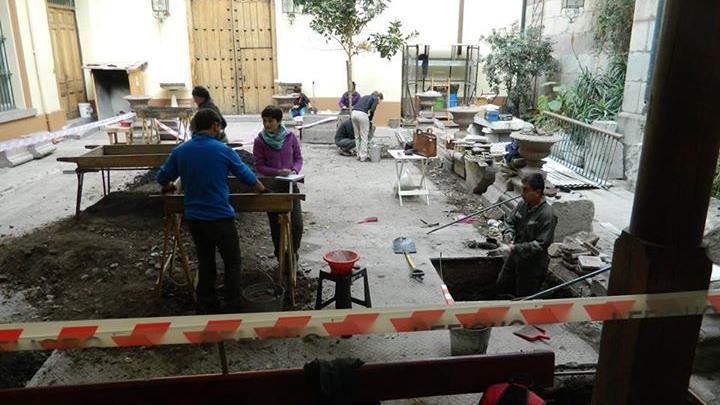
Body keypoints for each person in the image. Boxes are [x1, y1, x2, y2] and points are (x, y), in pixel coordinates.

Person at [156, 109, 267, 313]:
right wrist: (262, 189)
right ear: (215, 125)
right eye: (220, 127)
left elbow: (162, 176)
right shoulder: (223, 150)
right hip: (221, 217)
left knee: (206, 261)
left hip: (196, 219)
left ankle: (207, 304)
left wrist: (168, 186)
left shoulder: (181, 151)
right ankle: (233, 303)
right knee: (232, 261)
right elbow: (246, 176)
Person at [491, 173, 557, 298]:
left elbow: (540, 245)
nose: (522, 193)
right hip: (515, 257)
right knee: (502, 285)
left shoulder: (548, 215)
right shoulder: (522, 205)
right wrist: (508, 234)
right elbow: (510, 222)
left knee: (524, 296)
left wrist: (513, 248)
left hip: (533, 265)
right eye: (522, 189)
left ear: (538, 192)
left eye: (526, 190)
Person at [253, 105, 304, 262]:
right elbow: (259, 166)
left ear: (279, 121)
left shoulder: (290, 137)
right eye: (264, 121)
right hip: (272, 187)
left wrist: (294, 170)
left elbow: (298, 158)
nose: (267, 124)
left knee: (297, 224)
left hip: (290, 185)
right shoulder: (259, 141)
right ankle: (280, 257)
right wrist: (277, 172)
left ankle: (293, 252)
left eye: (271, 121)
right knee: (276, 226)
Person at [350, 91, 383, 161]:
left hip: (353, 113)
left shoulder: (365, 96)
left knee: (357, 136)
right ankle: (363, 157)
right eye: (380, 101)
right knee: (364, 136)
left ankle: (358, 155)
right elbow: (372, 110)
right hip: (362, 114)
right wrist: (370, 119)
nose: (379, 103)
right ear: (379, 97)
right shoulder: (375, 99)